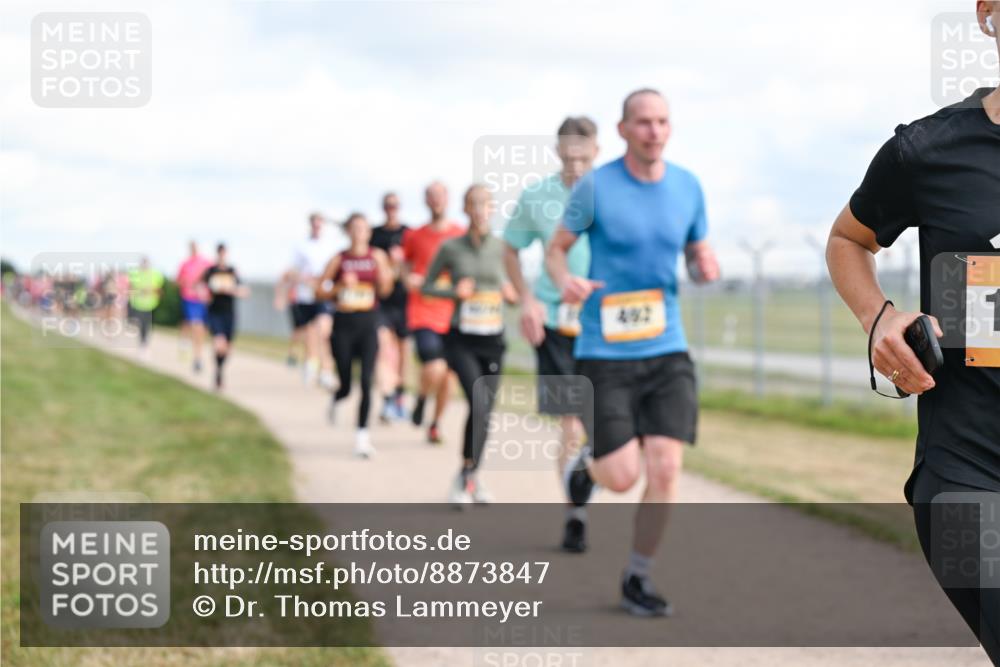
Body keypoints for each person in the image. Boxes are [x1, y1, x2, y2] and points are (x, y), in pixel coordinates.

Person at [826, 4, 999, 661]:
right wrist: (880, 316)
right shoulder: (929, 148)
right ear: (988, 13)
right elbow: (848, 239)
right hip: (968, 468)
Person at [547, 89, 720, 616]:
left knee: (665, 467)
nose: (654, 131)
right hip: (605, 353)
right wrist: (566, 281)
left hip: (667, 349)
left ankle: (637, 578)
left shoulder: (688, 187)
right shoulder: (596, 187)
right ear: (622, 130)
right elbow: (555, 250)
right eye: (643, 122)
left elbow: (695, 252)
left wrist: (703, 266)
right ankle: (587, 468)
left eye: (663, 121)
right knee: (621, 477)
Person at [503, 115, 599, 552]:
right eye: (568, 156)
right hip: (556, 322)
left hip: (606, 321)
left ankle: (587, 478)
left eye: (583, 156)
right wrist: (527, 299)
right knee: (572, 421)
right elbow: (510, 248)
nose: (576, 165)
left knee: (609, 425)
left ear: (597, 151)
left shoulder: (616, 191)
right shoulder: (538, 196)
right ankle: (574, 513)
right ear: (557, 152)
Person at [423, 185, 516, 507]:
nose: (479, 210)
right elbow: (427, 286)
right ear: (464, 209)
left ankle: (470, 474)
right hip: (462, 339)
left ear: (492, 209)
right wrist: (453, 293)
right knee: (478, 400)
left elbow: (518, 290)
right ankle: (466, 476)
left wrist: (512, 295)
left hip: (494, 339)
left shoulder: (504, 249)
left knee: (485, 412)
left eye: (485, 204)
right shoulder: (451, 248)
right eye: (473, 204)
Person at [316, 213, 394, 458]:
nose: (359, 232)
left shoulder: (377, 257)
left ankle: (362, 438)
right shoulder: (339, 259)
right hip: (343, 325)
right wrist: (339, 287)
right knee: (347, 383)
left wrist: (383, 281)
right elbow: (319, 290)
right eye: (355, 228)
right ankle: (337, 398)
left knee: (367, 382)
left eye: (363, 228)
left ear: (369, 233)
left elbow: (386, 290)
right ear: (348, 232)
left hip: (368, 323)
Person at [402, 182, 465, 444]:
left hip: (453, 314)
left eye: (441, 196)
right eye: (432, 196)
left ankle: (435, 424)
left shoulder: (459, 234)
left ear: (448, 199)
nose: (436, 201)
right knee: (435, 367)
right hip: (423, 311)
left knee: (448, 377)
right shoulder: (415, 235)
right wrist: (409, 280)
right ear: (426, 201)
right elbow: (405, 268)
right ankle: (421, 397)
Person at [277, 213, 344, 389]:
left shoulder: (331, 246)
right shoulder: (301, 246)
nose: (317, 227)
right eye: (314, 224)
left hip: (323, 294)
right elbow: (291, 270)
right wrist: (302, 280)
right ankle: (311, 364)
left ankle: (327, 371)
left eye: (319, 224)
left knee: (324, 331)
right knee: (310, 334)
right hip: (305, 295)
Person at [370, 192, 411, 422]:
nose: (391, 209)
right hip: (381, 301)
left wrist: (402, 260)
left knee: (403, 352)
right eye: (387, 205)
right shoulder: (374, 236)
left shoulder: (408, 234)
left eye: (395, 205)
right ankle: (386, 398)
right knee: (384, 349)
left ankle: (399, 397)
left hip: (405, 301)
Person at [201, 243, 250, 390]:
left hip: (229, 313)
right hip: (215, 311)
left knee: (227, 347)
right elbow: (199, 287)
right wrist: (204, 295)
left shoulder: (232, 271)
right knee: (218, 342)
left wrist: (231, 290)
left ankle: (220, 370)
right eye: (220, 253)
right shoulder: (211, 271)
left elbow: (244, 291)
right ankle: (218, 373)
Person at [176, 241, 213, 373]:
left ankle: (197, 354)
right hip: (189, 298)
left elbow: (212, 277)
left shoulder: (206, 263)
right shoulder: (185, 264)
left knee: (201, 328)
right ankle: (196, 357)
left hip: (202, 300)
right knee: (195, 325)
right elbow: (178, 281)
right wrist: (187, 283)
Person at [127, 257, 164, 352]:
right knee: (141, 323)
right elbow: (130, 289)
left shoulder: (156, 275)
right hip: (138, 304)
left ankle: (144, 341)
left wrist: (151, 290)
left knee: (147, 324)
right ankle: (142, 341)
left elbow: (160, 290)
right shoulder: (135, 274)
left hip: (150, 304)